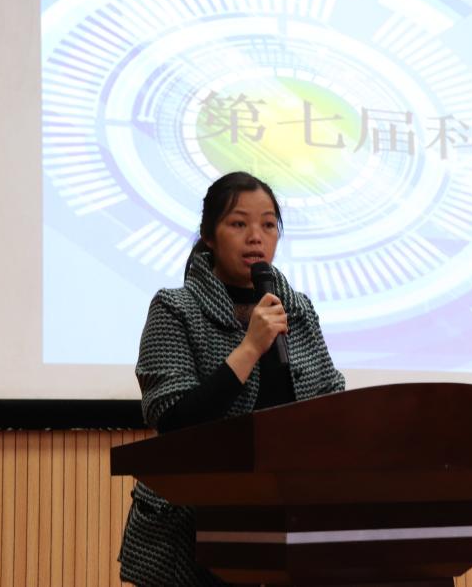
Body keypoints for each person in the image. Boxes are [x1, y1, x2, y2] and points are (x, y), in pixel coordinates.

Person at [118, 171, 346, 586]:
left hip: (287, 519)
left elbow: (331, 404)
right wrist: (250, 346)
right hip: (193, 525)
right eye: (239, 223)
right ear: (209, 235)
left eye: (268, 225)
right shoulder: (175, 309)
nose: (256, 237)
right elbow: (173, 420)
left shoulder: (297, 311)